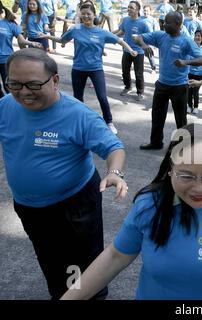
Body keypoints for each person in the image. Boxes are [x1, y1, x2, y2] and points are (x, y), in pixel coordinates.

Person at [60, 123, 202, 300]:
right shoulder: (149, 205)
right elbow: (116, 256)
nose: (199, 188)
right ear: (169, 171)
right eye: (186, 176)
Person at [0, 48, 128, 300]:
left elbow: (114, 147)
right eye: (14, 83)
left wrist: (114, 172)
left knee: (83, 265)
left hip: (74, 206)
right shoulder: (5, 106)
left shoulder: (78, 115)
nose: (24, 92)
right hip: (28, 206)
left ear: (55, 80)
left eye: (34, 84)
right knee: (49, 258)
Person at [39, 2, 138, 135]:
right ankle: (79, 121)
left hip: (95, 69)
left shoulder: (101, 32)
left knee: (102, 97)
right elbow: (62, 40)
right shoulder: (76, 29)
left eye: (89, 14)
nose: (86, 16)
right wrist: (46, 36)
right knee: (78, 98)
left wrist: (131, 50)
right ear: (80, 14)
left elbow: (120, 41)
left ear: (94, 15)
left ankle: (108, 121)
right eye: (83, 14)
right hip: (78, 68)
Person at [133, 11, 202, 150]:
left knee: (181, 120)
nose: (164, 24)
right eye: (164, 21)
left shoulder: (186, 41)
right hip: (162, 85)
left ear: (178, 24)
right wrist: (144, 45)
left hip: (179, 87)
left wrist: (185, 62)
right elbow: (137, 37)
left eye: (167, 22)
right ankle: (156, 142)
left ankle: (184, 147)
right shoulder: (160, 35)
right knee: (157, 116)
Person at [0, 1, 42, 98]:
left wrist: (31, 43)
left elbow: (21, 40)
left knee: (9, 88)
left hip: (5, 60)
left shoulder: (10, 24)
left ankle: (14, 107)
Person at [115, 1, 150, 101]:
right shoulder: (125, 20)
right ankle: (128, 87)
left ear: (138, 10)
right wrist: (112, 36)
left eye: (131, 8)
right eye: (128, 7)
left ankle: (140, 92)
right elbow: (122, 31)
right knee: (125, 71)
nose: (129, 9)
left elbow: (149, 37)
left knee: (138, 73)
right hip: (127, 50)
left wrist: (145, 46)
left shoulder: (143, 23)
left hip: (138, 52)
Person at [187, 29, 202, 115]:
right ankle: (189, 106)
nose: (197, 37)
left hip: (200, 74)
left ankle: (196, 107)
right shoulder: (191, 47)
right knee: (189, 91)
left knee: (195, 91)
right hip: (190, 73)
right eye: (196, 35)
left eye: (199, 36)